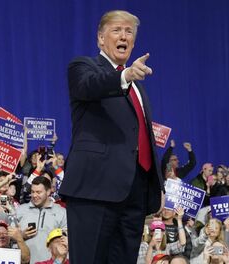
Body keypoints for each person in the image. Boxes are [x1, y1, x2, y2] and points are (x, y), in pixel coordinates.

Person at [61, 10, 164, 264]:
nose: (124, 36)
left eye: (129, 32)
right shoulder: (83, 67)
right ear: (100, 38)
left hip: (134, 194)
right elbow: (90, 86)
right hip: (95, 190)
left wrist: (156, 184)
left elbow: (141, 138)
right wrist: (124, 76)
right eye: (117, 30)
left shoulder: (138, 87)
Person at [17, 177, 66, 263]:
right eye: (32, 192)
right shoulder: (20, 210)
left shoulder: (61, 213)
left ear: (48, 192)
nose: (34, 195)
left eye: (38, 192)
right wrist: (21, 235)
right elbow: (8, 237)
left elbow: (66, 242)